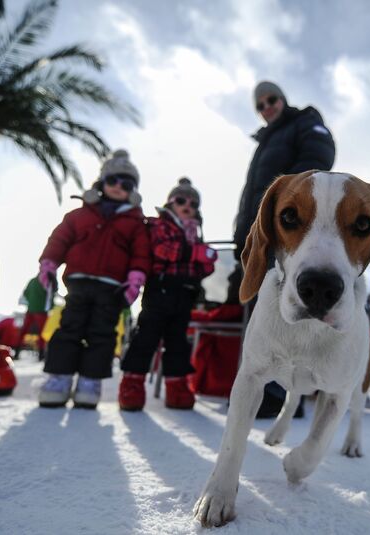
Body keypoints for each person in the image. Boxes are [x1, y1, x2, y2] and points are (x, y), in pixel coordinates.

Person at [232, 80, 336, 418]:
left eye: (271, 99)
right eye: (260, 105)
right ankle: (253, 385)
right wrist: (242, 235)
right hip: (257, 235)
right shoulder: (265, 141)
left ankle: (281, 394)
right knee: (256, 312)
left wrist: (289, 208)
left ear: (283, 98)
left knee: (285, 308)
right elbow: (253, 194)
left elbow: (319, 157)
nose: (267, 107)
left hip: (287, 233)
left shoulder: (304, 121)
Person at [36, 149, 151, 409]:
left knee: (102, 333)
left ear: (133, 189)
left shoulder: (135, 223)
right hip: (78, 283)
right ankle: (60, 378)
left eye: (127, 183)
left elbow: (140, 254)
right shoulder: (80, 215)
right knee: (70, 328)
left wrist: (135, 280)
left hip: (112, 288)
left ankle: (89, 382)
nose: (118, 187)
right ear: (102, 182)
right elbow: (59, 239)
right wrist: (49, 264)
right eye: (113, 181)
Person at [118, 178, 218, 411]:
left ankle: (177, 385)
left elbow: (203, 267)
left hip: (184, 293)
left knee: (178, 342)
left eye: (193, 204)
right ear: (170, 203)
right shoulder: (159, 224)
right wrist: (197, 253)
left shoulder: (194, 232)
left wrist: (206, 260)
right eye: (181, 200)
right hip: (159, 290)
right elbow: (163, 249)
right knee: (146, 336)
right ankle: (132, 383)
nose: (187, 206)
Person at [16, 276, 53, 358]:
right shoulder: (49, 280)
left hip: (31, 309)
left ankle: (16, 352)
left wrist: (31, 301)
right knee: (42, 333)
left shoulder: (32, 280)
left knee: (23, 331)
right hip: (41, 310)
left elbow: (25, 292)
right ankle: (41, 354)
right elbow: (52, 293)